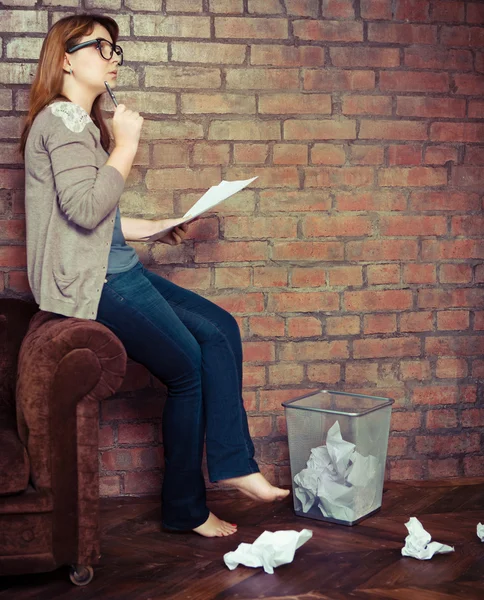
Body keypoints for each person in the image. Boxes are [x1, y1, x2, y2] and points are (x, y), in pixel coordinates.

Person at [20, 14, 289, 538]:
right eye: (101, 46)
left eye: (116, 49)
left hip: (112, 263)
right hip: (95, 280)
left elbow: (95, 216)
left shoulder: (76, 125)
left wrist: (155, 228)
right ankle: (186, 508)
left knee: (218, 328)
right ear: (66, 58)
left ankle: (233, 463)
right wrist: (126, 144)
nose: (113, 56)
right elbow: (83, 207)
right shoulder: (64, 121)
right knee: (187, 369)